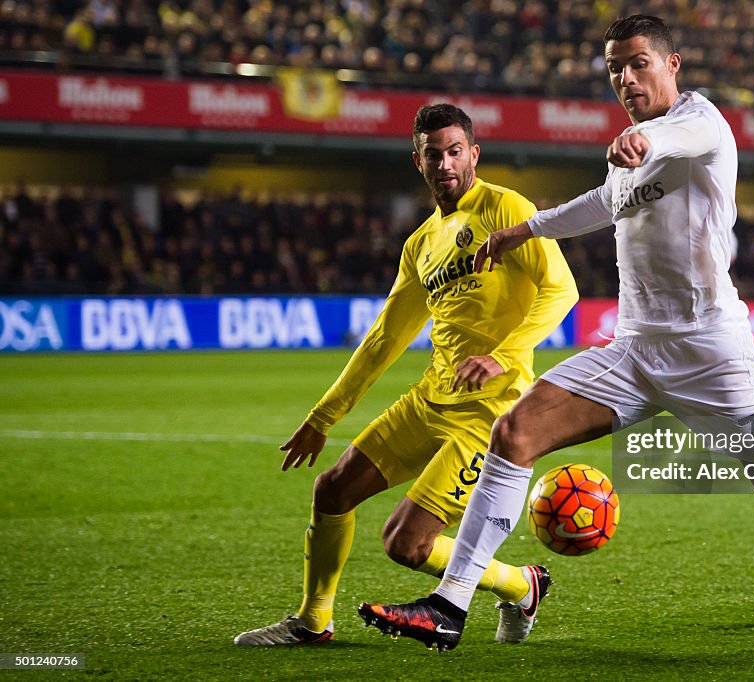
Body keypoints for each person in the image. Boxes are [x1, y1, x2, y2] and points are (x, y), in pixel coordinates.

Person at [358, 15, 754, 651]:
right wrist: (523, 231)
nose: (626, 78)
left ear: (673, 64)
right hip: (632, 350)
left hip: (712, 353)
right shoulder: (637, 147)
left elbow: (664, 142)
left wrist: (635, 144)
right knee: (514, 432)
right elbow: (603, 203)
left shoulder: (701, 124)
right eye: (615, 68)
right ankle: (451, 605)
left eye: (639, 63)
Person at [234, 103, 578, 646]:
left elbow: (562, 290)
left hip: (489, 412)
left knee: (406, 545)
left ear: (474, 153)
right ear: (416, 160)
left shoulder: (505, 207)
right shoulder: (421, 245)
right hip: (430, 399)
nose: (445, 163)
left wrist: (504, 354)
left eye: (455, 151)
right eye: (433, 153)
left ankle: (518, 584)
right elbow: (383, 338)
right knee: (332, 491)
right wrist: (323, 416)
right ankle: (312, 621)